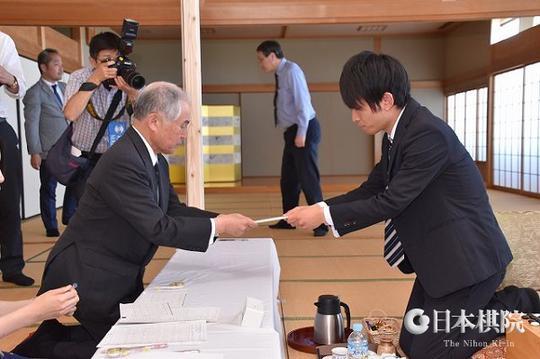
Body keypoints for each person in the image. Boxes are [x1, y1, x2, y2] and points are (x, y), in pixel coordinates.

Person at [285, 51, 540, 358]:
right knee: (409, 342)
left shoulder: (427, 133)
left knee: (431, 353)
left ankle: (518, 303)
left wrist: (323, 213)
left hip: (470, 263)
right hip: (437, 263)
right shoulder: (394, 135)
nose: (354, 116)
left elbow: (392, 201)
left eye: (358, 107)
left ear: (387, 100)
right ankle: (480, 310)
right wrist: (321, 209)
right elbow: (372, 189)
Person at [13, 82, 258, 358]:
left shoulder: (154, 159)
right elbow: (157, 227)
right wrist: (219, 226)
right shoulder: (124, 160)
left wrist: (221, 220)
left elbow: (172, 211)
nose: (185, 134)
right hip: (88, 275)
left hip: (116, 271)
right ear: (154, 121)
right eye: (183, 124)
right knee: (103, 348)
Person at [256, 40, 328, 237]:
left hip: (304, 128)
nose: (260, 63)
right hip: (292, 131)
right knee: (288, 180)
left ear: (272, 56)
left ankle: (321, 223)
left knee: (308, 178)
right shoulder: (282, 73)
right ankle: (288, 219)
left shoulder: (292, 71)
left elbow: (303, 104)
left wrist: (302, 133)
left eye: (261, 59)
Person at [63, 31, 139, 200]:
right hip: (87, 157)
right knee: (87, 210)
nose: (112, 65)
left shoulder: (128, 75)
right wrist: (95, 79)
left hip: (120, 158)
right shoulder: (79, 77)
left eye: (116, 58)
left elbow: (144, 121)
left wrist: (132, 93)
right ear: (92, 61)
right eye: (105, 60)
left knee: (120, 209)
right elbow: (70, 114)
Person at [23, 48, 77, 237]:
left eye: (61, 64)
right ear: (43, 67)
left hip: (71, 147)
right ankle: (51, 225)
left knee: (76, 181)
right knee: (48, 188)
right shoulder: (34, 93)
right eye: (56, 64)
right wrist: (34, 152)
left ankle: (69, 215)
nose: (61, 68)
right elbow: (31, 124)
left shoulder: (65, 88)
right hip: (48, 150)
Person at [0, 31, 34, 287]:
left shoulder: (3, 41)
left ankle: (12, 265)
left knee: (9, 200)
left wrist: (9, 78)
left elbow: (19, 88)